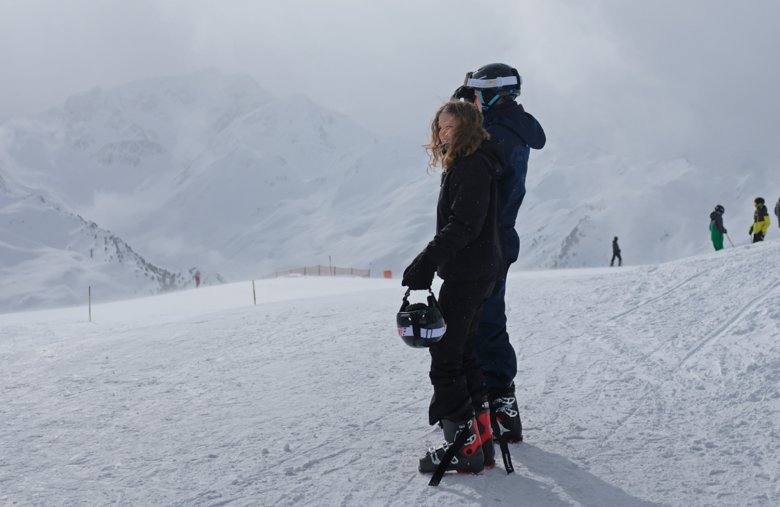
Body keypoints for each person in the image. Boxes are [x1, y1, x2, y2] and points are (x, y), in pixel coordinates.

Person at [401, 100, 504, 475]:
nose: (443, 133)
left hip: (468, 274)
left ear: (467, 128)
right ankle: (481, 441)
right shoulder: (472, 162)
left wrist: (426, 262)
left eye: (450, 127)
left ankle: (463, 448)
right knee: (463, 355)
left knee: (445, 359)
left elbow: (463, 225)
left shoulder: (472, 165)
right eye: (440, 127)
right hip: (476, 271)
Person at [452, 63, 546, 443]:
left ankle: (495, 409)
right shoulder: (506, 130)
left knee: (479, 324)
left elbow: (476, 198)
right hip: (494, 242)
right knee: (485, 322)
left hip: (484, 244)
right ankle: (498, 408)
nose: (470, 101)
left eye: (474, 94)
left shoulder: (499, 137)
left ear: (492, 93)